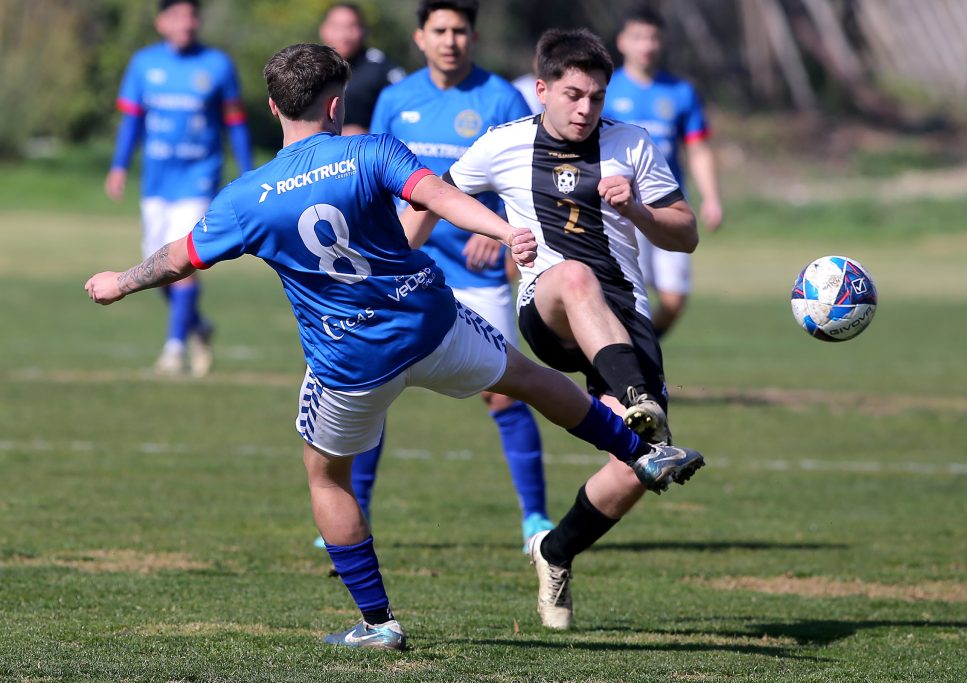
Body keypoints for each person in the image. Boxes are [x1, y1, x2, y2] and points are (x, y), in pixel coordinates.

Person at [84, 43, 705, 650]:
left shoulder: (245, 199)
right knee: (527, 379)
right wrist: (505, 229)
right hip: (430, 324)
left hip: (350, 361)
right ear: (336, 106)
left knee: (326, 477)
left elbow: (180, 258)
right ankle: (637, 452)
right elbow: (439, 196)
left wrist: (121, 281)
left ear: (274, 109)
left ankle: (378, 621)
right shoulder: (371, 151)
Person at [404, 27, 700, 630]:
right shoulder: (503, 144)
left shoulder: (632, 144)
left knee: (636, 467)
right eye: (572, 95)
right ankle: (641, 402)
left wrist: (637, 210)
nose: (585, 109)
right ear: (542, 89)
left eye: (596, 97)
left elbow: (685, 232)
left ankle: (556, 549)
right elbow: (430, 198)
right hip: (549, 303)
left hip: (623, 315)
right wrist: (389, 273)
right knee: (571, 275)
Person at [366, 0, 554, 547]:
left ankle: (535, 520)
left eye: (461, 30)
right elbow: (374, 177)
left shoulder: (500, 98)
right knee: (369, 388)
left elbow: (528, 179)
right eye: (440, 30)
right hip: (403, 271)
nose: (451, 40)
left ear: (473, 37)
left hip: (476, 273)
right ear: (420, 37)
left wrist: (492, 227)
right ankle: (353, 515)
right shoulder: (396, 100)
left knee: (504, 390)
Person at [105, 0, 252, 376]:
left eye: (191, 15)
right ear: (161, 22)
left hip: (198, 178)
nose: (186, 23)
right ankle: (198, 326)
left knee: (183, 261)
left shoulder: (217, 65)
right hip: (156, 183)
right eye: (177, 16)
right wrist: (119, 166)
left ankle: (174, 350)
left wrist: (248, 170)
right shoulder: (143, 64)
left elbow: (234, 122)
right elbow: (132, 121)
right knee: (156, 267)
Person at [607, 5, 723, 338]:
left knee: (674, 300)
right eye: (638, 37)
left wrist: (712, 198)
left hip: (667, 207)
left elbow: (698, 149)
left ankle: (639, 350)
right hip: (621, 211)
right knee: (630, 299)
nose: (647, 45)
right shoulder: (607, 91)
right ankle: (629, 360)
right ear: (622, 42)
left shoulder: (681, 92)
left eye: (654, 37)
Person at [319, 2, 405, 136]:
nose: (344, 35)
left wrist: (369, 134)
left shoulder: (382, 69)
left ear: (364, 30)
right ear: (323, 29)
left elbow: (408, 116)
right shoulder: (310, 68)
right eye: (336, 27)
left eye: (351, 27)